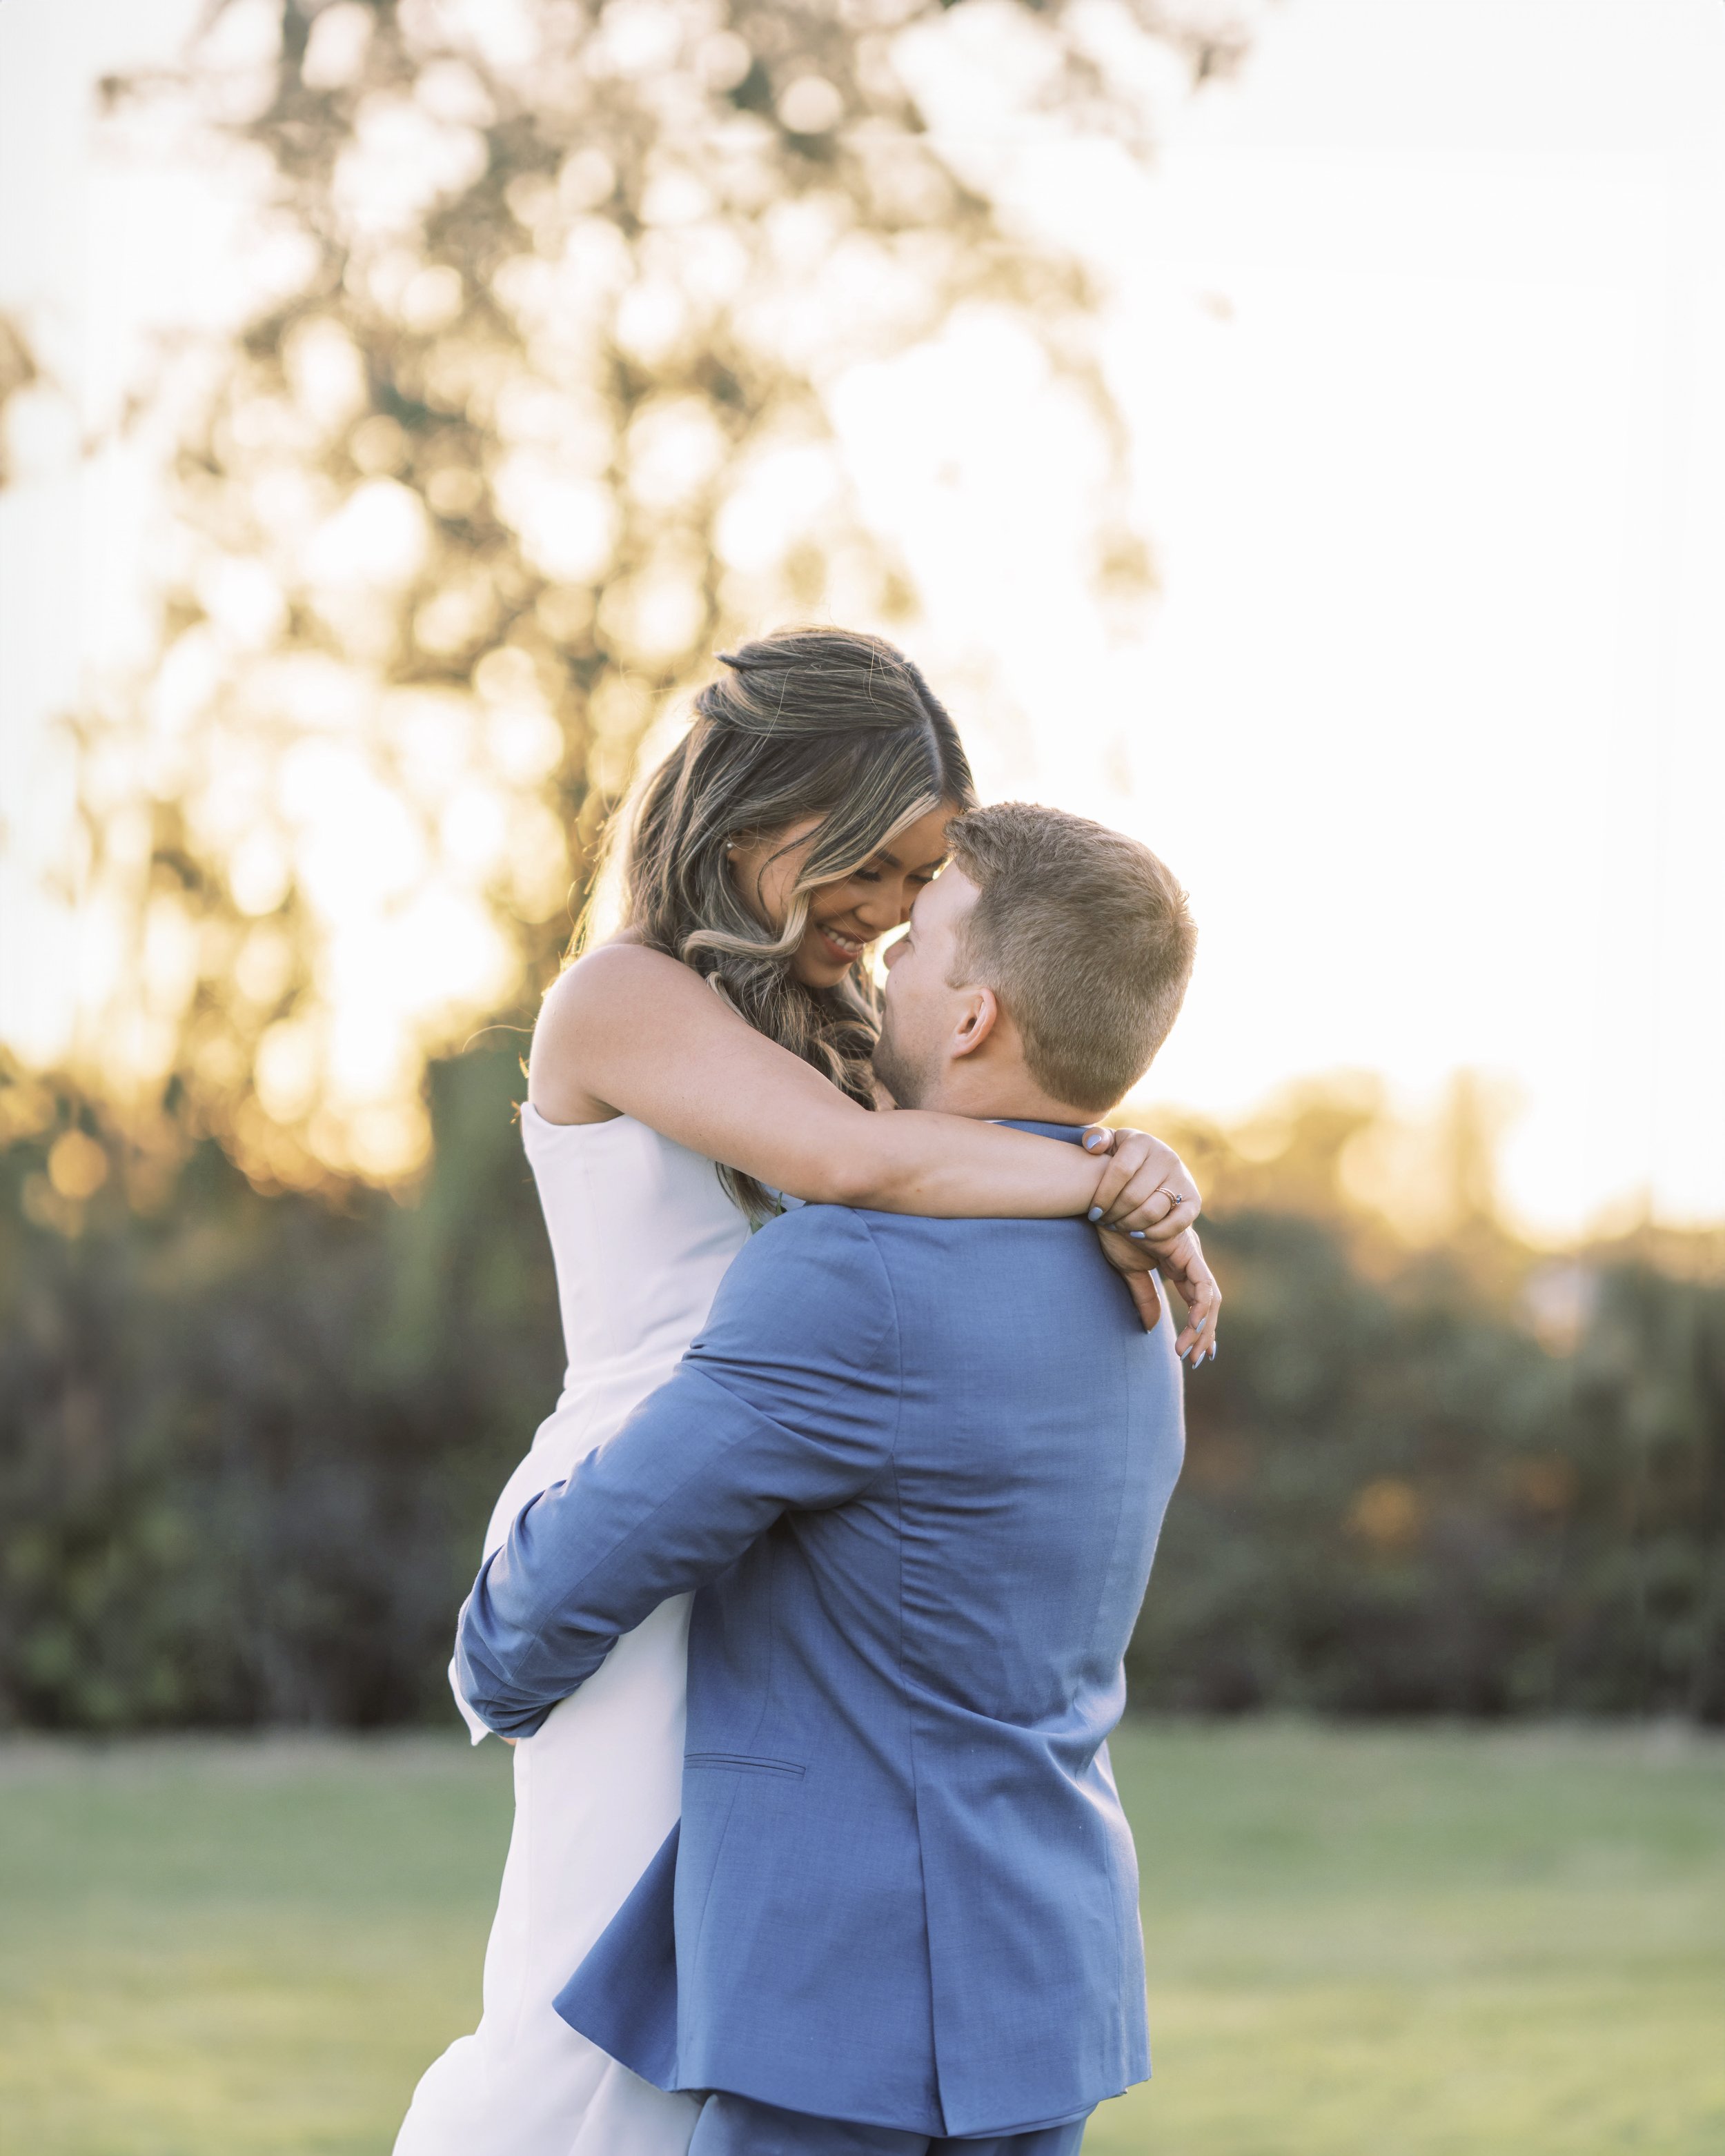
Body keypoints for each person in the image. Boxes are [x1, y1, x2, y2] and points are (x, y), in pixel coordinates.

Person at [394, 631, 1216, 2156]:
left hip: (780, 1514)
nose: (891, 913)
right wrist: (1105, 1168)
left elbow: (928, 1165)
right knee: (587, 2023)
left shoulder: (838, 1044)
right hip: (644, 1508)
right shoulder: (618, 998)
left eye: (918, 890)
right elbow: (858, 1173)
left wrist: (1123, 1162)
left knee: (692, 1995)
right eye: (875, 867)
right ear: (767, 817)